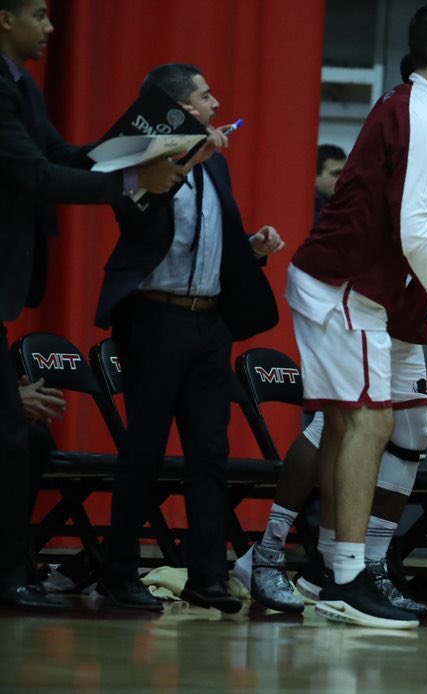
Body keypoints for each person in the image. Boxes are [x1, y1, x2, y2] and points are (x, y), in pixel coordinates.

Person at [286, 4, 427, 629]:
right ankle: (346, 576)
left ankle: (337, 567)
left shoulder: (420, 111)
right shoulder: (418, 114)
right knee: (366, 424)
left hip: (357, 286)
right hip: (343, 282)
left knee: (369, 424)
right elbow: (413, 229)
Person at [0, 0, 185, 611]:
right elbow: (37, 178)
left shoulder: (20, 86)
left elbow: (68, 156)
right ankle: (10, 578)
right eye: (40, 14)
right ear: (6, 18)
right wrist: (135, 182)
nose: (51, 27)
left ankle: (16, 568)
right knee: (10, 434)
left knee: (22, 440)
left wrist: (141, 147)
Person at [92, 62, 283, 614]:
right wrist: (187, 157)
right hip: (154, 320)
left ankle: (208, 576)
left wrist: (250, 248)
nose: (217, 103)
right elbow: (135, 218)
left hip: (208, 323)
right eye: (205, 96)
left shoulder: (216, 169)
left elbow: (206, 240)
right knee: (144, 451)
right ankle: (118, 572)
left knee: (210, 453)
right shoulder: (144, 158)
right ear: (177, 108)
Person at [314, 144, 346, 224]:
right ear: (315, 177)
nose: (344, 179)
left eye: (346, 173)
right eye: (336, 174)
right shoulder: (308, 214)